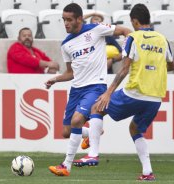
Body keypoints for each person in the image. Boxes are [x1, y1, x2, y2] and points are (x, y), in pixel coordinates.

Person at [73, 4, 174, 181]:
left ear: (134, 21)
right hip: (155, 97)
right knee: (135, 129)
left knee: (97, 107)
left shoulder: (133, 38)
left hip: (135, 92)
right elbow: (172, 65)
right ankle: (147, 172)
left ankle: (93, 154)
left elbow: (124, 69)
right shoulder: (162, 39)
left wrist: (108, 93)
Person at [44, 3, 131, 176]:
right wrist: (56, 79)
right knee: (66, 132)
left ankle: (65, 166)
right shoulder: (66, 44)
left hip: (95, 86)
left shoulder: (96, 29)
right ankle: (93, 132)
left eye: (69, 20)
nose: (66, 23)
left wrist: (127, 52)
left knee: (77, 121)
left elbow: (126, 31)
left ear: (79, 18)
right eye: (64, 20)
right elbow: (70, 73)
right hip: (76, 90)